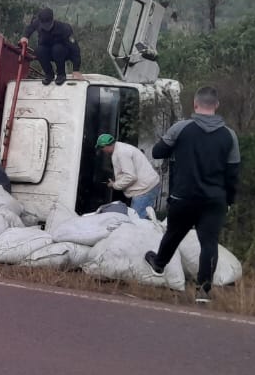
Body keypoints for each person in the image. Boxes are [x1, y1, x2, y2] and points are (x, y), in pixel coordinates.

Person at [144, 86, 240, 304]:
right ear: (216, 106)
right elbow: (233, 171)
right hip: (214, 199)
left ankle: (159, 264)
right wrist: (229, 200)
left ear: (195, 105)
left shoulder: (181, 128)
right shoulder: (229, 135)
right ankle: (204, 291)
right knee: (209, 243)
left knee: (174, 234)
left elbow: (158, 152)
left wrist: (173, 143)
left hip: (183, 197)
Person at [95, 133, 161, 217]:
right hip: (145, 187)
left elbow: (131, 176)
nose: (102, 151)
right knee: (142, 220)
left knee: (136, 221)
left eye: (102, 148)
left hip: (145, 189)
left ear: (105, 146)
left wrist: (115, 185)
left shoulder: (121, 152)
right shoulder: (120, 149)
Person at [23, 7, 82, 85]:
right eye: (44, 25)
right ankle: (49, 74)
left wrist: (76, 70)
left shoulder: (64, 28)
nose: (46, 27)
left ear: (52, 20)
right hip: (48, 51)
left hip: (63, 53)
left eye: (48, 24)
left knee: (57, 49)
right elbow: (30, 28)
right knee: (39, 50)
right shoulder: (37, 23)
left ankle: (61, 75)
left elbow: (75, 49)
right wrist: (25, 37)